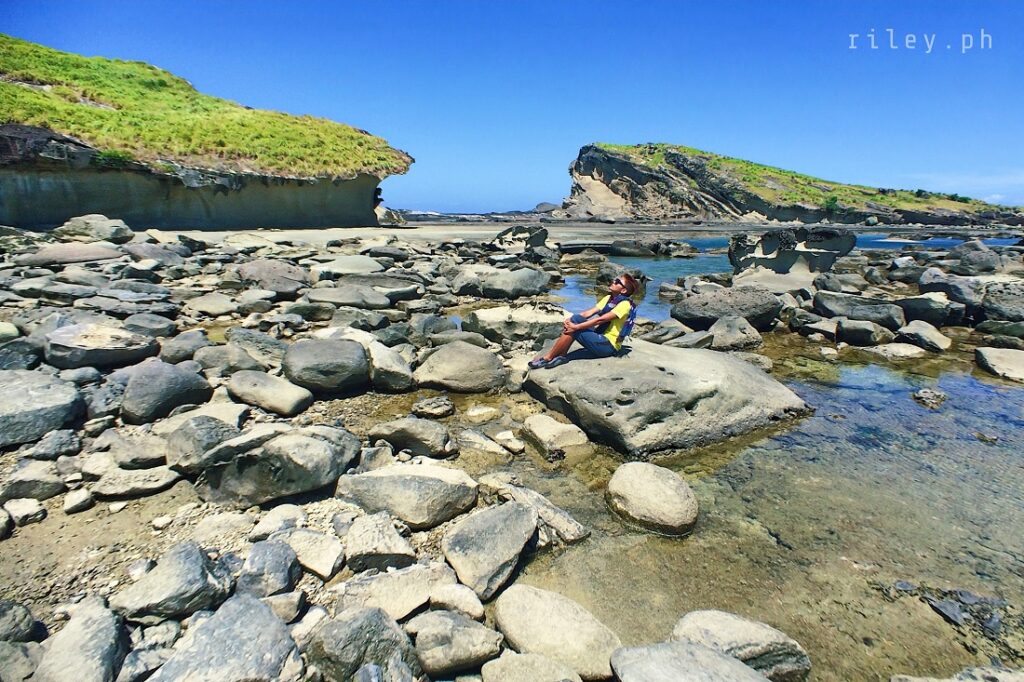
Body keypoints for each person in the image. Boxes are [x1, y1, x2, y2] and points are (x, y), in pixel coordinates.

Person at [529, 273, 640, 369]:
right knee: (575, 319)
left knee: (576, 328)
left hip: (608, 346)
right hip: (600, 336)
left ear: (623, 290)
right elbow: (588, 313)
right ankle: (561, 355)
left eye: (617, 282)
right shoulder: (609, 299)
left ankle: (548, 357)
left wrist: (576, 327)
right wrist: (570, 320)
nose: (613, 282)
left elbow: (600, 320)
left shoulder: (624, 305)